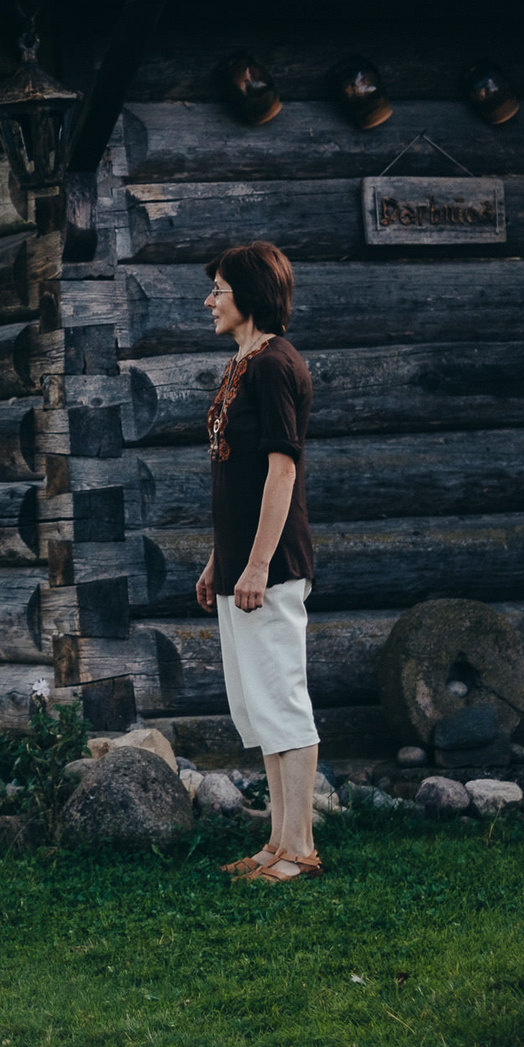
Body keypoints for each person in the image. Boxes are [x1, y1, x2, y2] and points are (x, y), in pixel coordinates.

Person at [193, 239, 322, 883]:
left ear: (248, 294)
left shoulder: (275, 365)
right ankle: (276, 844)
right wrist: (220, 559)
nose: (208, 300)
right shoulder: (243, 362)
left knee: (282, 698)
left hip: (271, 567)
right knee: (257, 705)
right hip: (242, 564)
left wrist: (256, 566)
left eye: (218, 288)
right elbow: (235, 478)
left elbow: (280, 471)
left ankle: (300, 848)